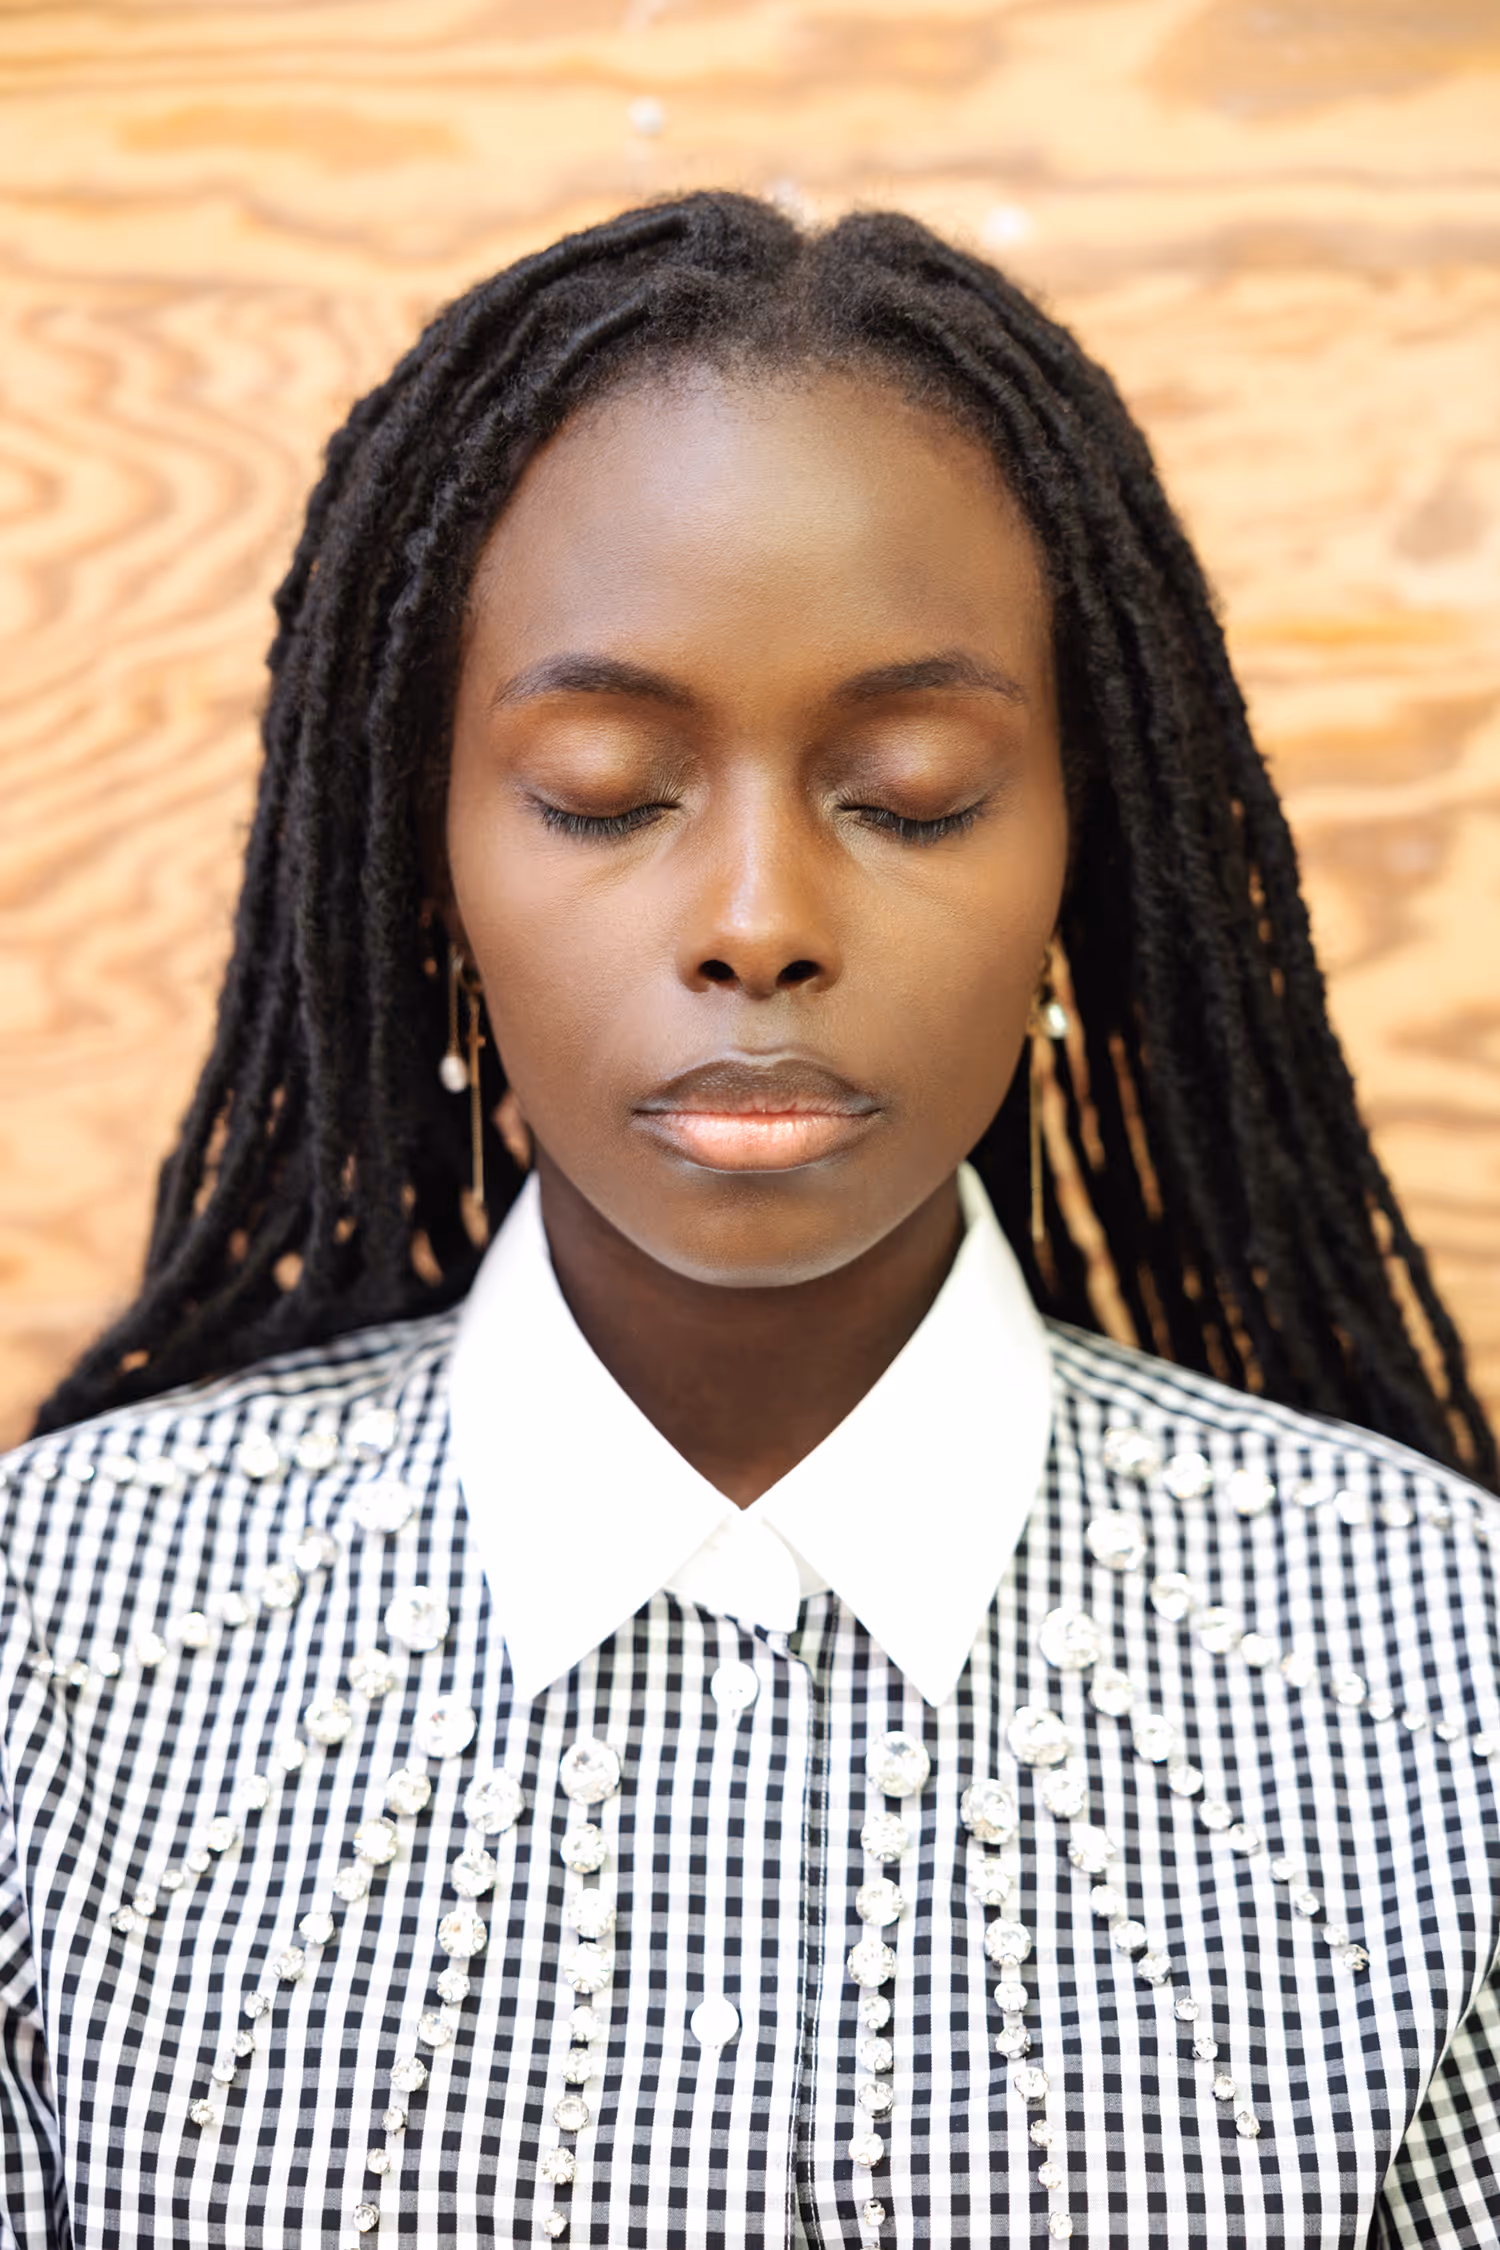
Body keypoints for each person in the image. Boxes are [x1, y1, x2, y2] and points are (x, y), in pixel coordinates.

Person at [1, 191, 1496, 2250]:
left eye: (914, 788)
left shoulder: (1438, 1668)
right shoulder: (60, 1652)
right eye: (608, 790)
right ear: (417, 861)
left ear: (1086, 849)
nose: (759, 926)